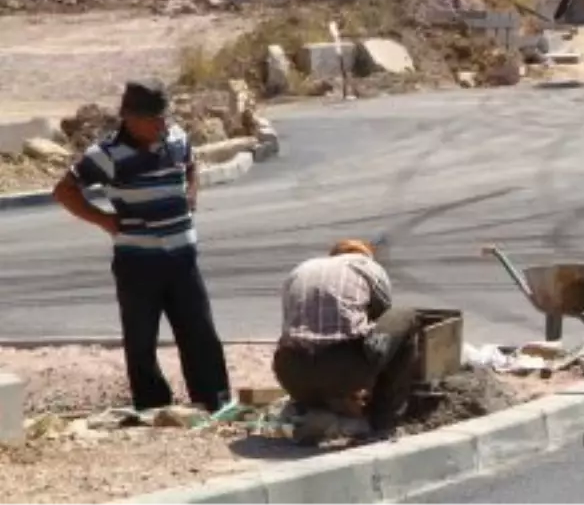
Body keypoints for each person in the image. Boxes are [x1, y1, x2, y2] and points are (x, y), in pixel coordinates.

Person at [52, 79, 231, 412]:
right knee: (141, 340)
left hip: (183, 257)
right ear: (131, 119)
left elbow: (191, 164)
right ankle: (152, 407)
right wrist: (104, 220)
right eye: (154, 119)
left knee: (200, 332)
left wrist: (192, 192)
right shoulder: (106, 155)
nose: (162, 125)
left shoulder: (176, 138)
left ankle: (214, 400)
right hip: (138, 263)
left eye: (164, 117)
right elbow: (64, 191)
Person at [273, 239, 422, 432]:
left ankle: (317, 410)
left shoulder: (300, 270)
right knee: (404, 316)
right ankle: (381, 420)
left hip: (290, 373)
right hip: (343, 370)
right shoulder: (369, 267)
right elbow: (381, 325)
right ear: (367, 254)